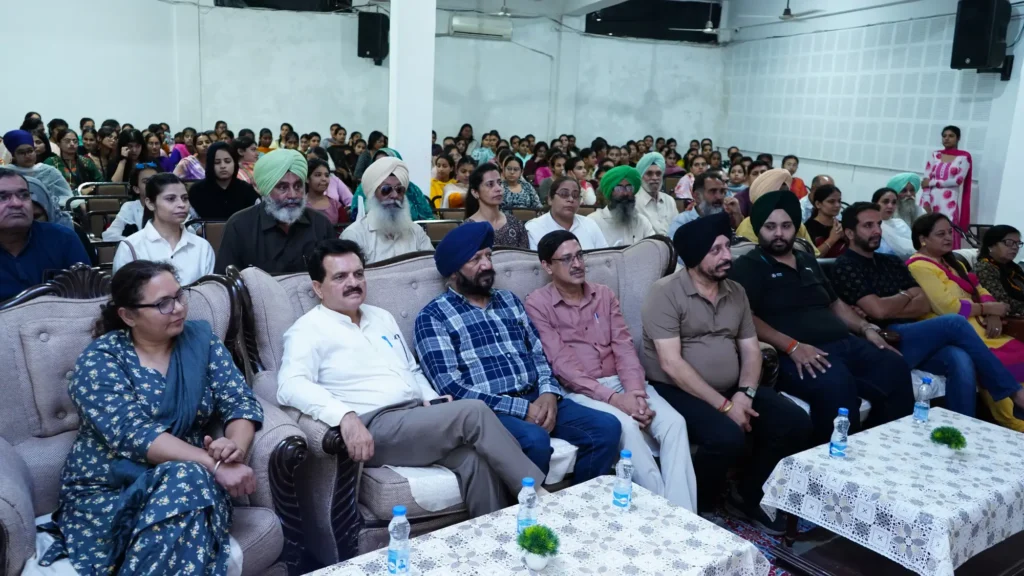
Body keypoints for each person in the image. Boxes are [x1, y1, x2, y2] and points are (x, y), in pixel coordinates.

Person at [276, 239, 544, 515]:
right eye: (340, 277)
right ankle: (538, 498)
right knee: (473, 411)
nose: (353, 283)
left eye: (358, 274)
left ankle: (495, 532)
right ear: (318, 288)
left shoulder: (380, 317)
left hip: (413, 419)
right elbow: (289, 385)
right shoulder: (307, 330)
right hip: (375, 427)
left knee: (474, 460)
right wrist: (344, 416)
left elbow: (412, 370)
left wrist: (431, 398)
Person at [40, 260, 263, 575]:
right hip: (113, 489)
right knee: (190, 481)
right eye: (163, 304)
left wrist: (233, 449)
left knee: (188, 481)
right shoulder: (101, 360)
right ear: (128, 315)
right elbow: (134, 434)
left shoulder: (201, 342)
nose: (178, 308)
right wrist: (212, 465)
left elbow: (238, 400)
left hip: (190, 478)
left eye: (179, 296)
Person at [415, 222, 621, 482]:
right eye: (475, 260)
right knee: (535, 440)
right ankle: (528, 508)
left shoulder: (509, 300)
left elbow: (538, 354)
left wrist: (548, 392)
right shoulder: (433, 317)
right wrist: (520, 408)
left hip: (536, 395)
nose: (486, 265)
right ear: (454, 272)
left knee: (607, 428)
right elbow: (450, 387)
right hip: (489, 411)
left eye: (488, 256)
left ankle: (581, 501)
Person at [642, 213, 811, 527]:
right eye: (716, 250)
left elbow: (750, 348)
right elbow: (671, 364)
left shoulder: (736, 291)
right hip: (675, 389)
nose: (727, 256)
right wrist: (726, 407)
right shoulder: (664, 292)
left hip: (733, 389)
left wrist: (745, 394)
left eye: (726, 247)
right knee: (726, 437)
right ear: (695, 257)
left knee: (795, 422)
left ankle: (748, 493)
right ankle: (701, 507)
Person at [526, 230, 697, 510]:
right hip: (579, 391)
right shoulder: (538, 303)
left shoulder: (603, 294)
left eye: (579, 256)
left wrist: (635, 393)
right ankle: (660, 513)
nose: (577, 264)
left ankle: (684, 514)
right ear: (547, 266)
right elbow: (562, 365)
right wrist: (616, 400)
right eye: (566, 259)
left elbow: (624, 347)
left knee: (675, 424)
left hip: (623, 382)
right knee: (626, 427)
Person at [728, 190, 914, 444]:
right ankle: (834, 462)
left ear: (795, 228)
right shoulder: (747, 266)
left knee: (895, 366)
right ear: (759, 229)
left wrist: (866, 328)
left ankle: (888, 448)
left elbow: (835, 303)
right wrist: (792, 346)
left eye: (786, 226)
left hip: (844, 343)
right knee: (837, 385)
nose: (779, 233)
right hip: (797, 353)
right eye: (770, 227)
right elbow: (746, 318)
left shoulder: (806, 259)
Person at [833, 203, 1024, 427]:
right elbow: (879, 311)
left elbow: (922, 304)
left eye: (878, 224)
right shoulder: (845, 265)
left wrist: (891, 302)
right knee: (954, 323)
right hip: (883, 338)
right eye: (868, 226)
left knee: (959, 358)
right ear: (849, 233)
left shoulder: (890, 261)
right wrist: (906, 295)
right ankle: (1013, 392)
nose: (877, 230)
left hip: (913, 334)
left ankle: (961, 429)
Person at [907, 213, 1024, 429]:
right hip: (953, 333)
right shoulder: (919, 266)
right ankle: (1016, 422)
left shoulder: (953, 262)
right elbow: (948, 308)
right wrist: (987, 308)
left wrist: (993, 313)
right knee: (994, 359)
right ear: (923, 239)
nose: (948, 238)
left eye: (949, 232)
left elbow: (980, 289)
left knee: (1018, 349)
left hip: (980, 326)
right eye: (940, 234)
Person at [216, 149, 334, 274]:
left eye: (298, 186)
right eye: (283, 187)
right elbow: (225, 279)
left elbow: (335, 274)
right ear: (264, 189)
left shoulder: (321, 224)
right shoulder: (239, 226)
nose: (293, 195)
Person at [0, 168, 90, 300]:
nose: (17, 203)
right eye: (2, 197)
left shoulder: (63, 239)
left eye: (24, 195)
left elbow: (87, 299)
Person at [112, 174, 214, 285]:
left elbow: (209, 292)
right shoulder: (131, 247)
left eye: (185, 198)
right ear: (150, 204)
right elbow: (123, 293)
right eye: (171, 199)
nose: (182, 204)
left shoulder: (202, 246)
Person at [342, 156, 433, 263]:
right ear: (373, 194)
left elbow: (431, 266)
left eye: (399, 190)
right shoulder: (355, 235)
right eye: (386, 189)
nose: (394, 195)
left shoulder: (416, 232)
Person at [735, 168, 817, 254]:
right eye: (769, 227)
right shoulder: (747, 226)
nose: (783, 199)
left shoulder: (796, 224)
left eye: (786, 194)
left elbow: (813, 255)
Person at [920, 126, 971, 249]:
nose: (947, 138)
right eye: (944, 136)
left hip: (949, 203)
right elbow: (926, 179)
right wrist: (925, 200)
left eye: (951, 136)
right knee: (928, 228)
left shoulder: (964, 157)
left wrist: (932, 183)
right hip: (931, 200)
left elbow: (957, 181)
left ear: (958, 138)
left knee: (946, 229)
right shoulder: (936, 155)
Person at [349, 148, 434, 222]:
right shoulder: (364, 188)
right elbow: (356, 216)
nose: (394, 195)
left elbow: (427, 217)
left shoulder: (412, 188)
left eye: (399, 190)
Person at [526, 177, 608, 250]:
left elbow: (605, 257)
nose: (571, 199)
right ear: (550, 199)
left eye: (575, 195)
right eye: (564, 194)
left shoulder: (590, 224)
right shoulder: (534, 228)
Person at [187, 142, 260, 220]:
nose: (223, 166)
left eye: (227, 161)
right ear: (210, 165)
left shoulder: (246, 189)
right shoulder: (197, 190)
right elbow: (192, 220)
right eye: (217, 162)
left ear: (235, 163)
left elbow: (256, 218)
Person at [463, 163, 529, 248]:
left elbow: (525, 255)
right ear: (475, 192)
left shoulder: (515, 224)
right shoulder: (467, 229)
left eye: (499, 183)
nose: (498, 188)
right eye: (490, 184)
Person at [587, 166, 655, 247]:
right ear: (610, 192)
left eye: (629, 188)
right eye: (619, 188)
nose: (625, 193)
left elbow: (654, 248)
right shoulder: (593, 222)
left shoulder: (642, 221)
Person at [1, 129, 74, 202]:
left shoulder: (49, 171)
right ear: (13, 156)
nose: (27, 156)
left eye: (30, 151)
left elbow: (66, 197)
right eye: (21, 153)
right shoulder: (5, 173)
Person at [669, 171, 743, 237]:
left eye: (722, 191)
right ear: (697, 196)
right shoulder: (682, 221)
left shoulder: (726, 218)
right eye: (713, 191)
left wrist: (737, 214)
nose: (719, 197)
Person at [103, 165, 162, 241]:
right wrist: (138, 243)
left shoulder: (168, 206)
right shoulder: (130, 207)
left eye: (156, 181)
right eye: (146, 182)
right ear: (136, 189)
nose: (152, 185)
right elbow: (109, 236)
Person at [976, 225, 1024, 317]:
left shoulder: (1013, 268)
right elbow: (1001, 301)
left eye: (1018, 243)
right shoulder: (984, 268)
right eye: (1009, 242)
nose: (1015, 247)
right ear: (991, 245)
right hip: (1006, 319)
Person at [634, 152, 679, 236]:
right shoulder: (634, 202)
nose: (655, 178)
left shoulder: (669, 200)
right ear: (641, 176)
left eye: (658, 174)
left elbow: (677, 228)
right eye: (649, 174)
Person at [872, 186, 917, 260]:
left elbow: (914, 248)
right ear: (875, 204)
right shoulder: (871, 227)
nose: (890, 206)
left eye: (894, 202)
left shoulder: (900, 224)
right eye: (885, 202)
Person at [804, 184, 847, 257]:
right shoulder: (808, 228)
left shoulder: (841, 226)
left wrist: (847, 238)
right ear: (818, 204)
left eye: (839, 201)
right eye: (831, 201)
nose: (837, 205)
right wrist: (832, 239)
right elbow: (811, 257)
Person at [305, 158, 344, 225]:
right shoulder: (299, 206)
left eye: (327, 175)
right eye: (318, 175)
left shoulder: (336, 206)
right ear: (307, 179)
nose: (324, 179)